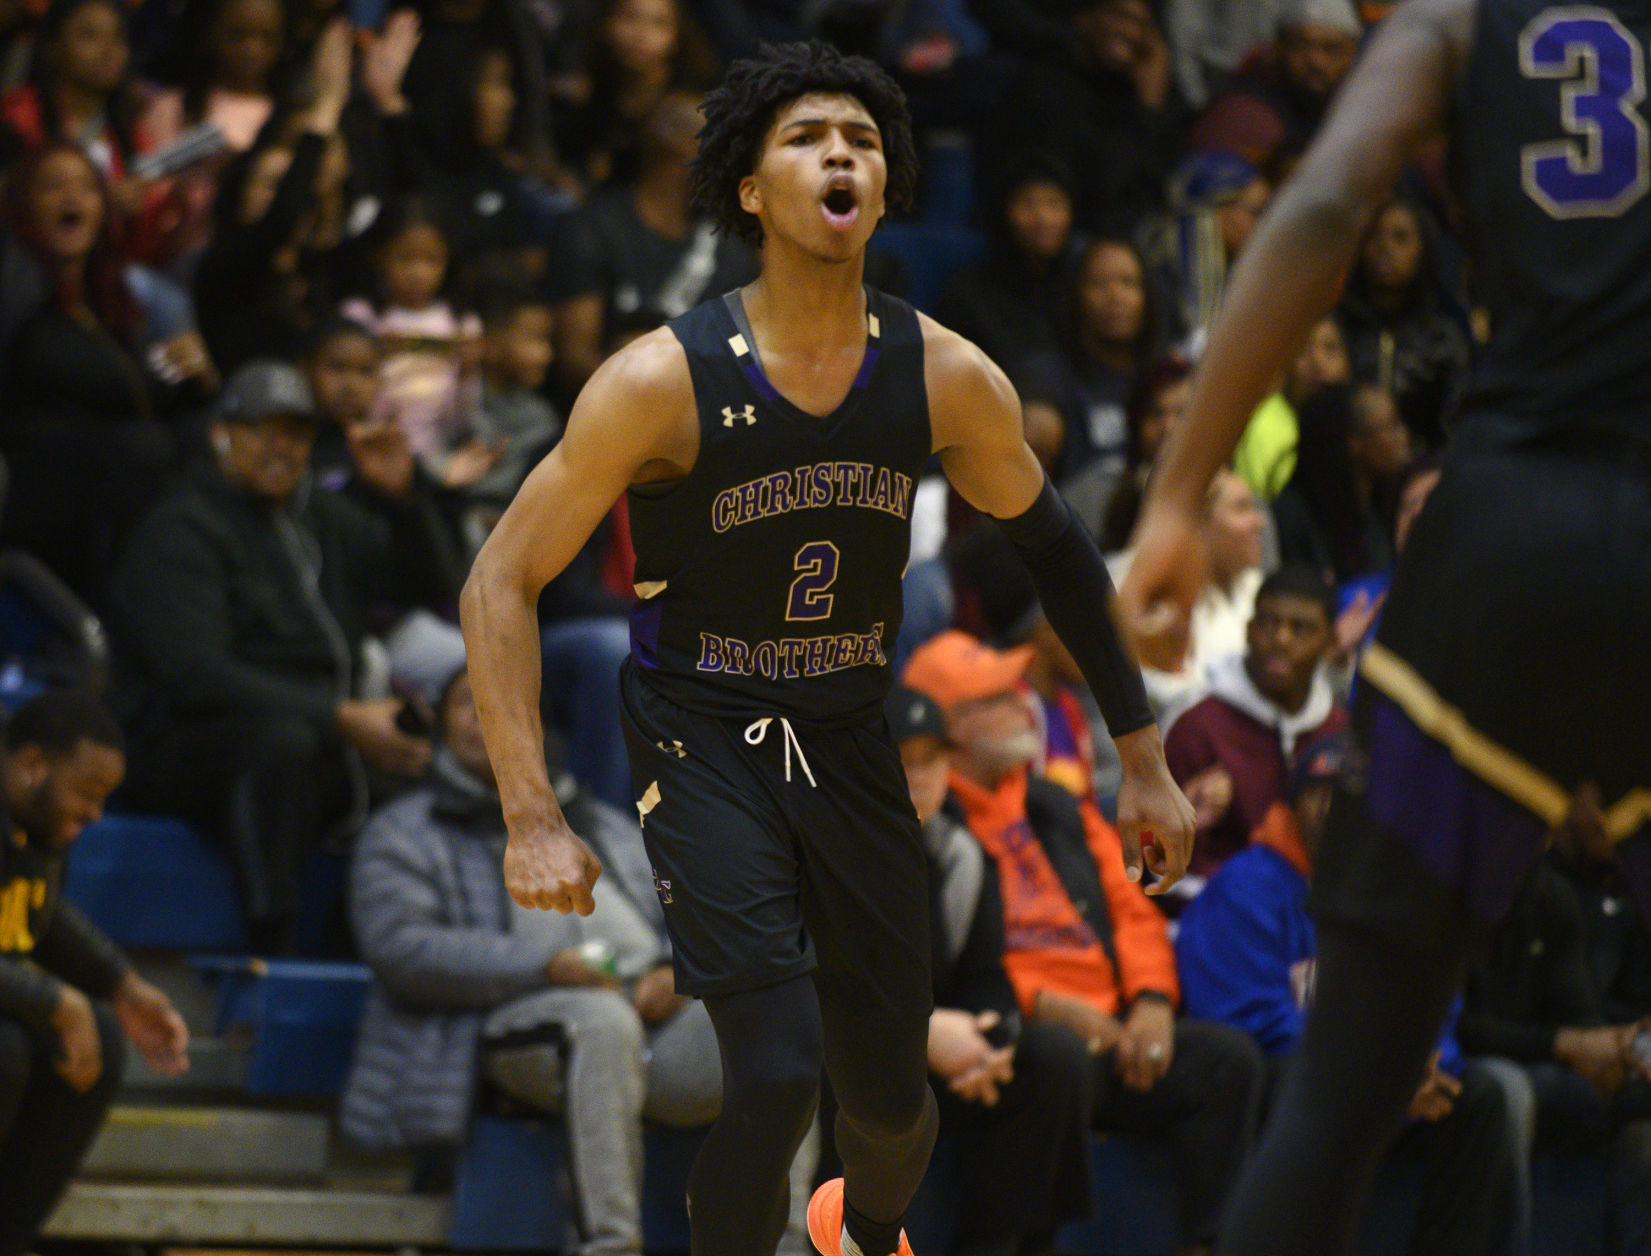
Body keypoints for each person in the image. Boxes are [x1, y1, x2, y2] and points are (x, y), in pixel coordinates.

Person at [460, 40, 1195, 1256]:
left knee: (890, 1114)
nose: (839, 152)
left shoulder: (947, 375)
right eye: (805, 138)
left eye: (859, 138)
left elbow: (1063, 552)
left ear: (886, 183)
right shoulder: (662, 378)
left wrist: (1143, 752)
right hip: (700, 732)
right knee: (774, 1072)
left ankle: (861, 1233)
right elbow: (502, 577)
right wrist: (530, 808)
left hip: (849, 732)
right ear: (749, 189)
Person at [1116, 0, 1651, 1251]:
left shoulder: (1462, 19)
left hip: (1511, 525)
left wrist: (1179, 492)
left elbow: (1321, 203)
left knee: (1338, 1103)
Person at [343, 666, 816, 1256]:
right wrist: (544, 965)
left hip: (651, 1023)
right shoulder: (405, 830)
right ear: (441, 725)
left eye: (510, 702)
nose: (489, 716)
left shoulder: (606, 823)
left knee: (783, 1018)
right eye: (470, 704)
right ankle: (609, 1246)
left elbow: (695, 914)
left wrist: (678, 970)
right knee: (600, 1026)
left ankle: (788, 1247)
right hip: (495, 1024)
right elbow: (404, 953)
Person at [902, 632, 1263, 1256]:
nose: (1025, 704)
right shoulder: (934, 820)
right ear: (953, 728)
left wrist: (1151, 999)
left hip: (1114, 1032)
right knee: (1054, 1060)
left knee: (1229, 1062)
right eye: (999, 696)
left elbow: (1133, 907)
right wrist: (1047, 1005)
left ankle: (1211, 1245)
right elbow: (954, 969)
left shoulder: (1053, 803)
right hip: (1015, 1030)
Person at [111, 360, 461, 952]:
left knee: (437, 747)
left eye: (297, 433)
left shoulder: (315, 517)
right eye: (264, 429)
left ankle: (373, 948)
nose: (284, 447)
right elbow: (196, 674)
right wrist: (341, 718)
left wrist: (405, 498)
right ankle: (268, 943)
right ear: (224, 432)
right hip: (182, 743)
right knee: (282, 743)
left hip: (313, 731)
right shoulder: (180, 528)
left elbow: (434, 586)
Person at [1175, 730, 1525, 1256]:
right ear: (1294, 807)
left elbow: (1438, 1001)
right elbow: (1243, 1016)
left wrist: (1423, 1061)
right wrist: (1378, 1071)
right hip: (1298, 1084)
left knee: (1487, 1096)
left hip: (1385, 1085)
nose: (1335, 812)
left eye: (1350, 798)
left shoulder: (1398, 892)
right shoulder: (1247, 886)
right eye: (1319, 796)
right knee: (1287, 1078)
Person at [885, 684, 1095, 1256]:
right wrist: (922, 1035)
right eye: (902, 761)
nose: (920, 776)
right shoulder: (831, 854)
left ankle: (1002, 1244)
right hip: (863, 1053)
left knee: (1054, 1060)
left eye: (931, 760)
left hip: (946, 1054)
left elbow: (986, 975)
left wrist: (990, 1039)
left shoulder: (961, 853)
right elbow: (825, 990)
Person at [0, 690, 189, 1256]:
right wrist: (62, 1001)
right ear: (33, 764)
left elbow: (41, 912)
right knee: (5, 1048)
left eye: (104, 799)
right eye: (86, 793)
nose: (94, 815)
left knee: (99, 1040)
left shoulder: (32, 824)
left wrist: (120, 986)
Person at [1163, 565, 1347, 879]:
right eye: (1268, 623)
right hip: (1214, 912)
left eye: (1300, 628)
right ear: (1248, 630)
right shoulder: (1196, 725)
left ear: (1330, 643)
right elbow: (1154, 865)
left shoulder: (1338, 728)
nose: (1280, 639)